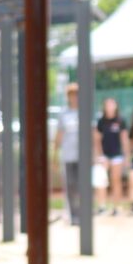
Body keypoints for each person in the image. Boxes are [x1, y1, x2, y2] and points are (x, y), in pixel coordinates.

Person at [97, 96, 130, 216]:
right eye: (107, 104)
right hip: (104, 155)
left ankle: (116, 207)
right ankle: (102, 206)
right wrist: (100, 156)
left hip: (117, 156)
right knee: (101, 181)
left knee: (116, 181)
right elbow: (97, 140)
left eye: (112, 104)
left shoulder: (120, 121)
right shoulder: (101, 121)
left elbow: (124, 139)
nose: (110, 107)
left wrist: (126, 157)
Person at [56, 82, 83, 225]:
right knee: (71, 185)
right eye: (72, 95)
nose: (75, 98)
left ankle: (82, 213)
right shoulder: (64, 114)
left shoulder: (84, 111)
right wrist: (55, 155)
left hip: (82, 155)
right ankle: (73, 215)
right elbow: (59, 135)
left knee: (82, 185)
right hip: (68, 155)